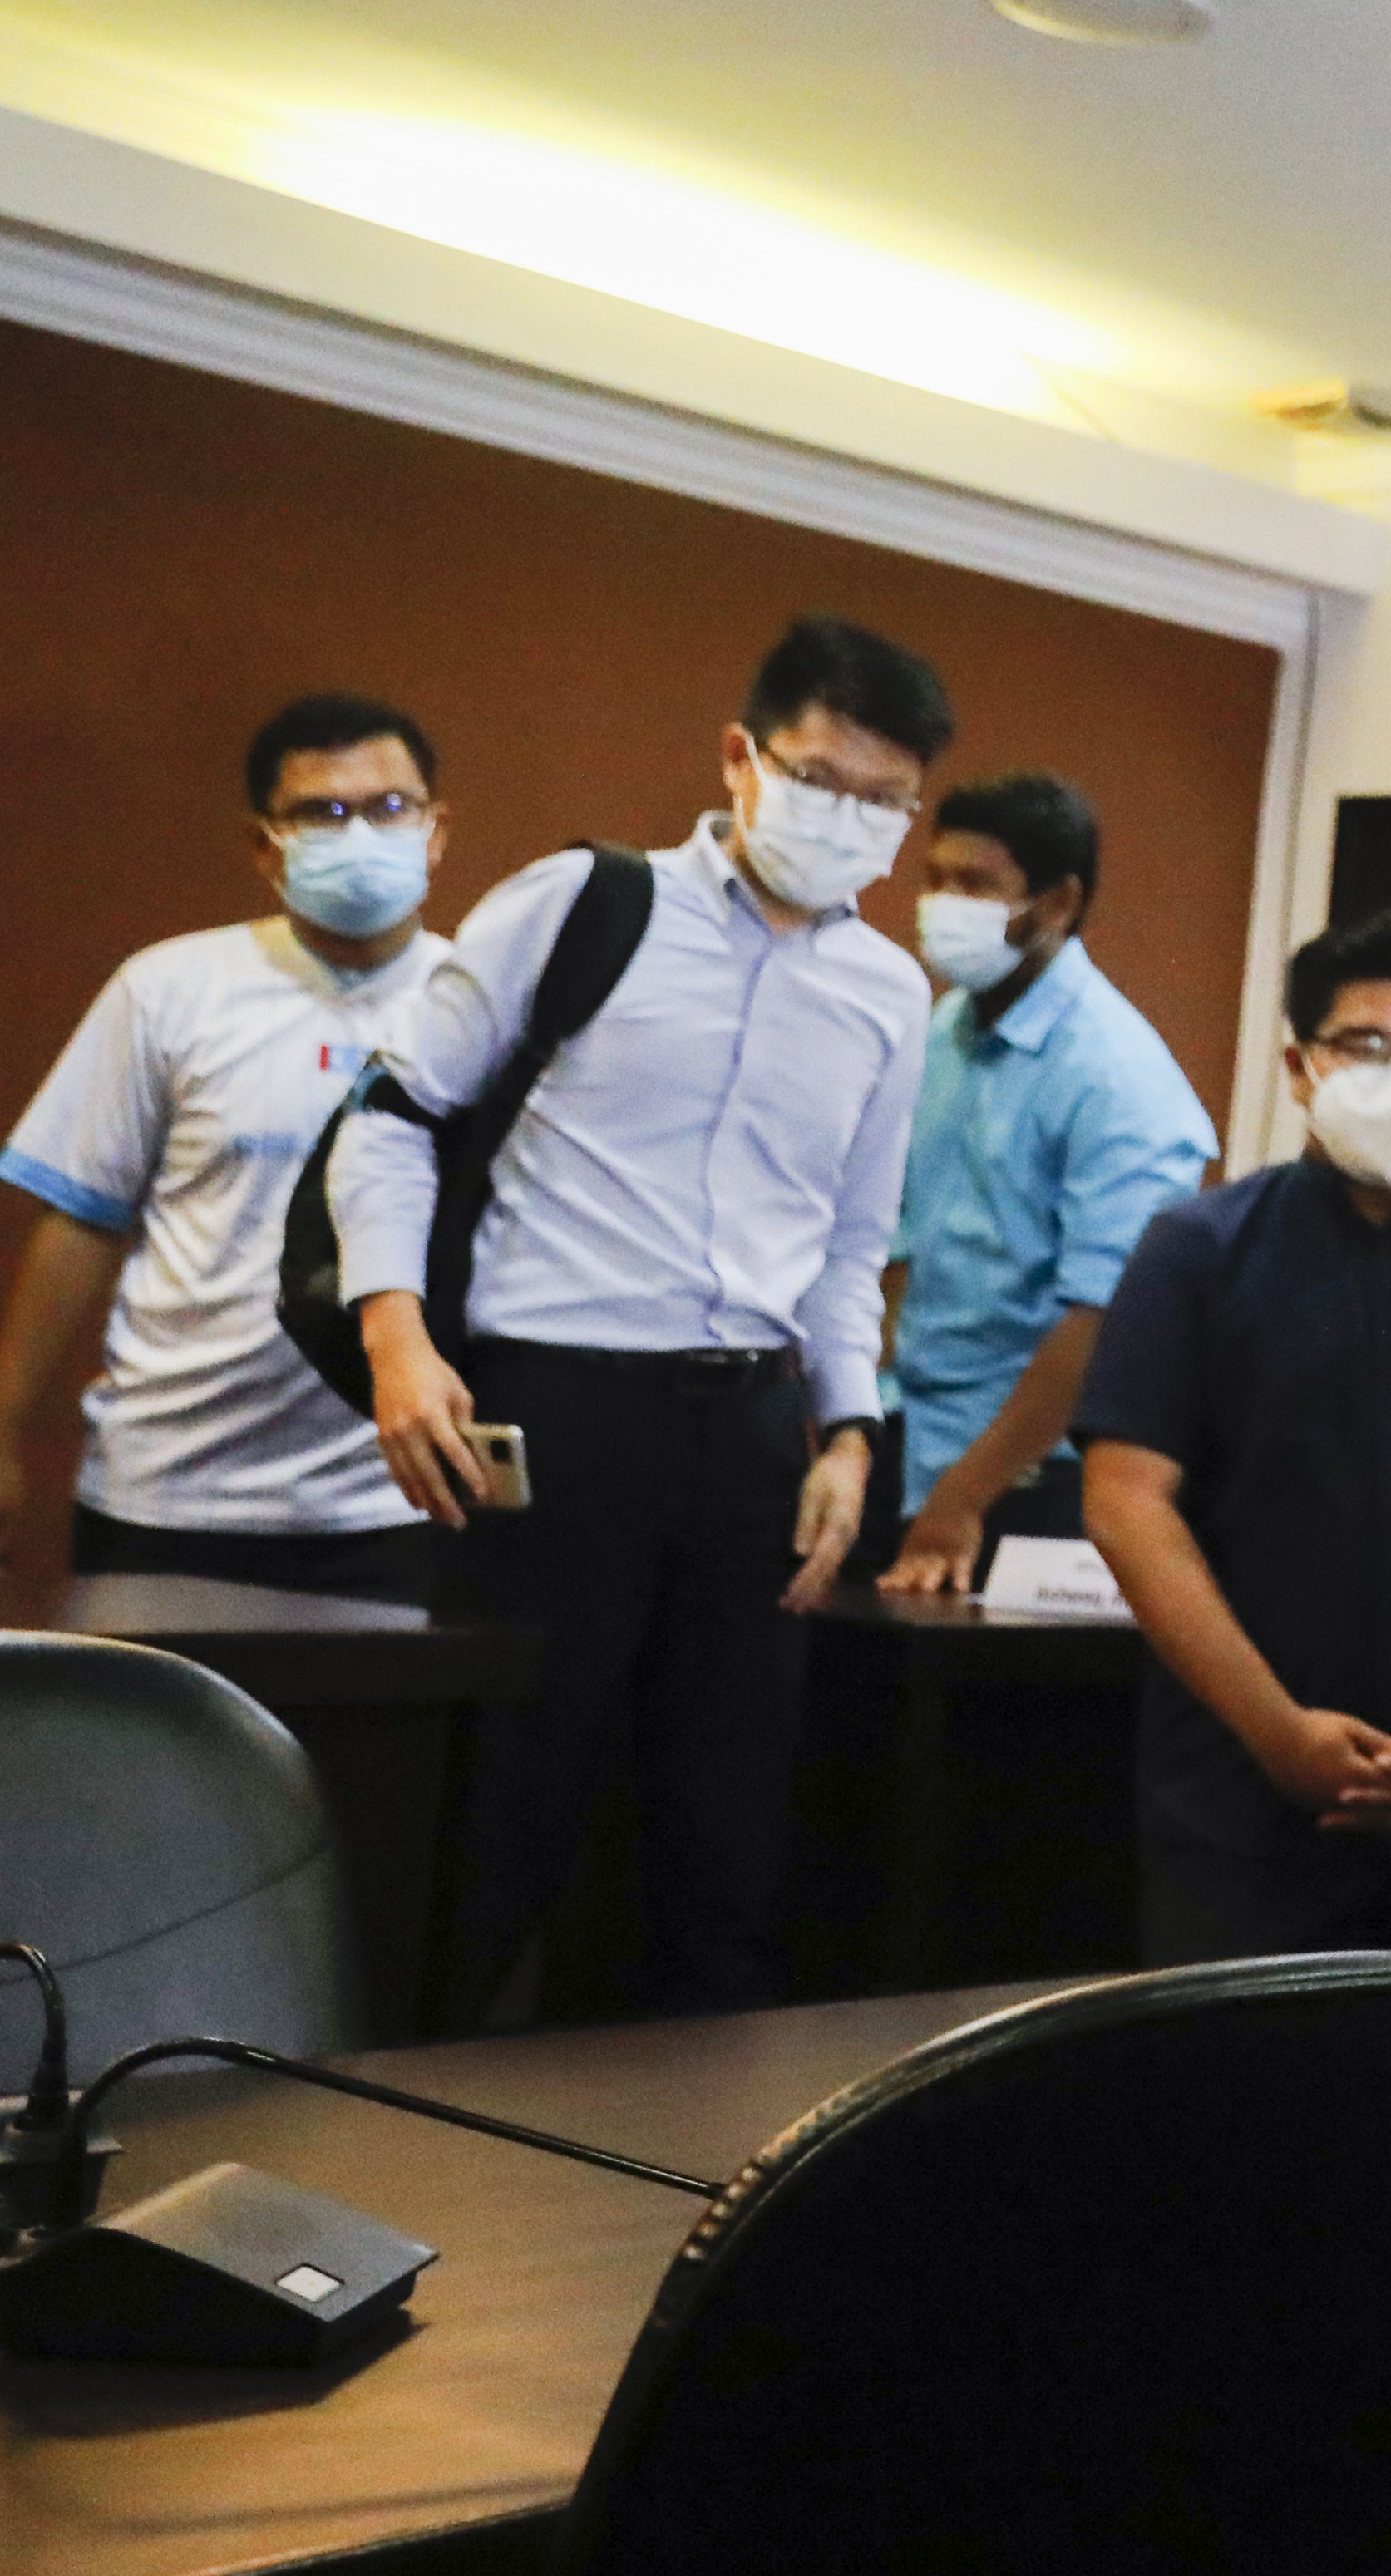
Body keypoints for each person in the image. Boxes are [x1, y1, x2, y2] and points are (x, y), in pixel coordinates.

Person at [335, 613, 949, 2021]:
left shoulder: (887, 993)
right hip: (557, 1406)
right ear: (741, 757)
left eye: (883, 800)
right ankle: (412, 2110)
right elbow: (393, 1113)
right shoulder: (584, 902)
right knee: (502, 1813)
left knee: (724, 1839)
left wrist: (849, 1434)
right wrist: (396, 1337)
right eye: (819, 778)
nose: (846, 818)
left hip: (753, 1430)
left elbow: (851, 1244)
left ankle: (687, 2146)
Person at [1075, 909, 1391, 1959]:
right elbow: (1124, 1500)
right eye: (1364, 1044)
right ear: (1299, 1067)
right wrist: (1276, 1729)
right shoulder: (1195, 1249)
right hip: (1235, 1805)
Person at [0, 692, 459, 1607]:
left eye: (388, 807)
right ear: (266, 845)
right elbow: (79, 1225)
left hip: (399, 1495)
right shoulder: (167, 990)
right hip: (166, 1493)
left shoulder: (483, 1006)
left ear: (435, 830)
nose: (359, 834)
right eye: (321, 813)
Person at [875, 771, 1216, 1593]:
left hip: (1025, 1481)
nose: (942, 905)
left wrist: (965, 1495)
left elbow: (1104, 1321)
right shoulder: (947, 1027)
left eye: (974, 885)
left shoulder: (1119, 1080)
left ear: (1057, 903)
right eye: (934, 878)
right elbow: (897, 1245)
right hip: (904, 1436)